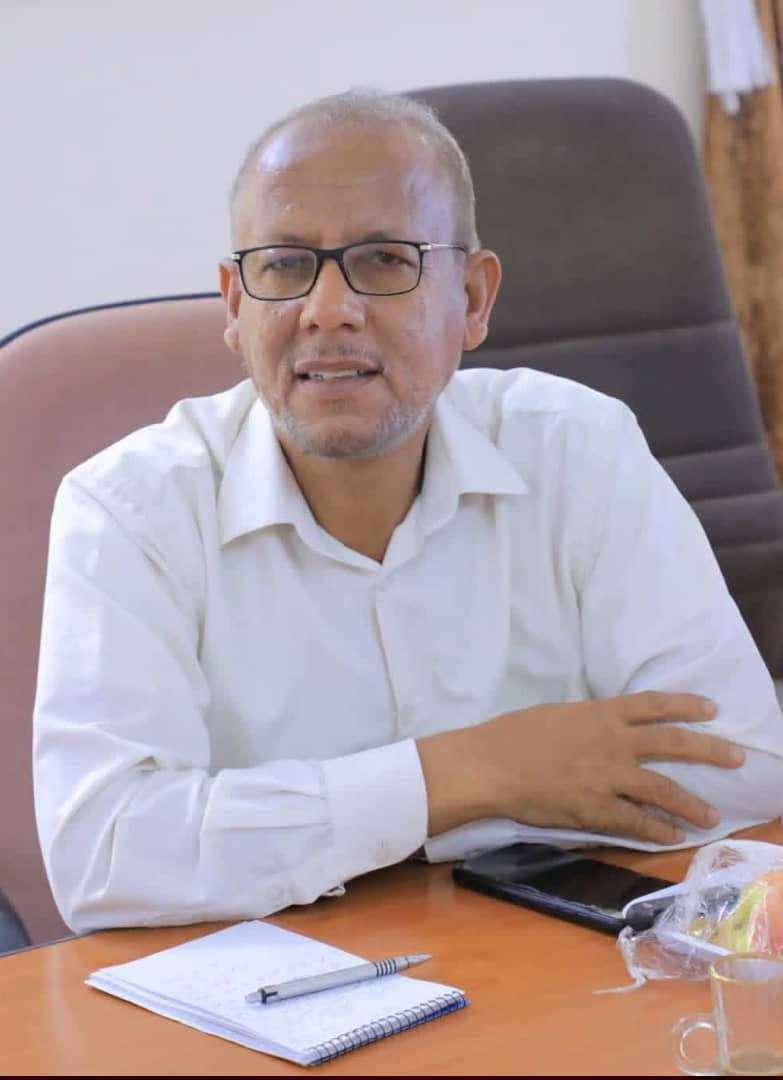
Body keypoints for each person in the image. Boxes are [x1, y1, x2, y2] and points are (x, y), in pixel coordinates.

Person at [33, 89, 783, 933]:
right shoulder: (128, 509)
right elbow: (104, 855)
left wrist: (295, 834)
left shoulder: (578, 447)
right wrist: (466, 775)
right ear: (235, 306)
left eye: (386, 260)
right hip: (264, 992)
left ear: (472, 298)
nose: (327, 310)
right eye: (283, 266)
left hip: (539, 963)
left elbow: (744, 765)